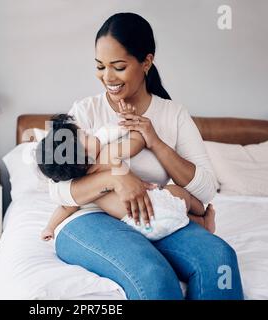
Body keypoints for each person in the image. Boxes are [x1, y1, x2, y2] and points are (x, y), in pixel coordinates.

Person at [49, 12, 244, 299]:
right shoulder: (83, 113)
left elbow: (205, 188)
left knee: (219, 260)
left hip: (154, 217)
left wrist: (156, 142)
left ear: (146, 62)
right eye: (100, 66)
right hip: (89, 218)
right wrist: (118, 178)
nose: (107, 77)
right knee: (153, 274)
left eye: (118, 66)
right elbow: (56, 187)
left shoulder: (172, 114)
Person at [37, 112, 211, 242]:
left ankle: (200, 222)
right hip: (156, 201)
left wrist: (49, 227)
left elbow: (66, 208)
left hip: (139, 225)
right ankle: (202, 215)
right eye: (88, 137)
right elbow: (137, 143)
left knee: (177, 217)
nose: (94, 136)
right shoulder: (107, 155)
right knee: (182, 195)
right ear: (82, 159)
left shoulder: (83, 186)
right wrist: (133, 127)